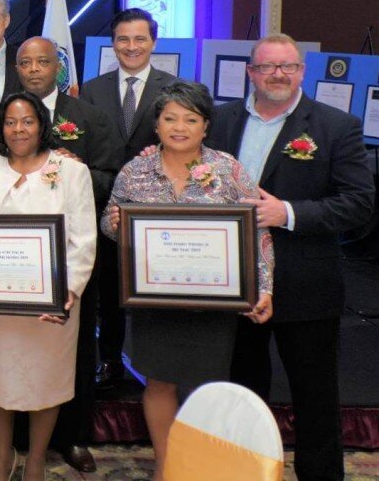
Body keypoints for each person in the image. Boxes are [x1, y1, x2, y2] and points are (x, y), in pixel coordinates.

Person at [207, 34, 373, 481]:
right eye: (266, 67)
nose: (277, 75)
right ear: (250, 73)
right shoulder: (219, 123)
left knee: (314, 396)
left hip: (306, 287)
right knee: (242, 391)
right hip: (236, 285)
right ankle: (243, 471)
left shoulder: (337, 126)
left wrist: (289, 213)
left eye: (287, 66)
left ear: (302, 71)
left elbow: (360, 203)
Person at [101, 81, 274, 479]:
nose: (180, 127)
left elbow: (257, 232)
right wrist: (113, 224)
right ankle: (166, 462)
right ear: (157, 126)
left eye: (190, 119)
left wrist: (264, 287)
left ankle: (197, 464)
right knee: (159, 383)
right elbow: (110, 222)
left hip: (212, 303)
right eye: (170, 118)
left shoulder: (228, 169)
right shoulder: (136, 170)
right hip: (153, 301)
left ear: (205, 126)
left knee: (205, 386)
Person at [0, 36, 122, 472]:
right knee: (1, 369)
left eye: (43, 61)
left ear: (60, 67)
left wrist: (77, 171)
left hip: (57, 280)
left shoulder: (88, 118)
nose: (34, 69)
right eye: (25, 62)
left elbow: (111, 178)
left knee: (58, 369)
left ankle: (67, 439)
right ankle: (5, 447)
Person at [0, 91, 98, 481]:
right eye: (10, 121)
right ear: (1, 127)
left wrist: (70, 292)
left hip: (50, 303)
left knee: (47, 381)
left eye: (27, 121)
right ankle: (3, 455)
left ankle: (38, 458)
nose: (18, 129)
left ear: (42, 124)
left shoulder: (72, 171)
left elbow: (83, 240)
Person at [80, 8, 177, 390]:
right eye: (123, 39)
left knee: (151, 287)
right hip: (104, 204)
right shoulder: (93, 88)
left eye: (140, 39)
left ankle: (156, 366)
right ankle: (108, 360)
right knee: (107, 287)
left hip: (157, 209)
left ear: (153, 42)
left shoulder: (173, 88)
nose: (131, 47)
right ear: (113, 43)